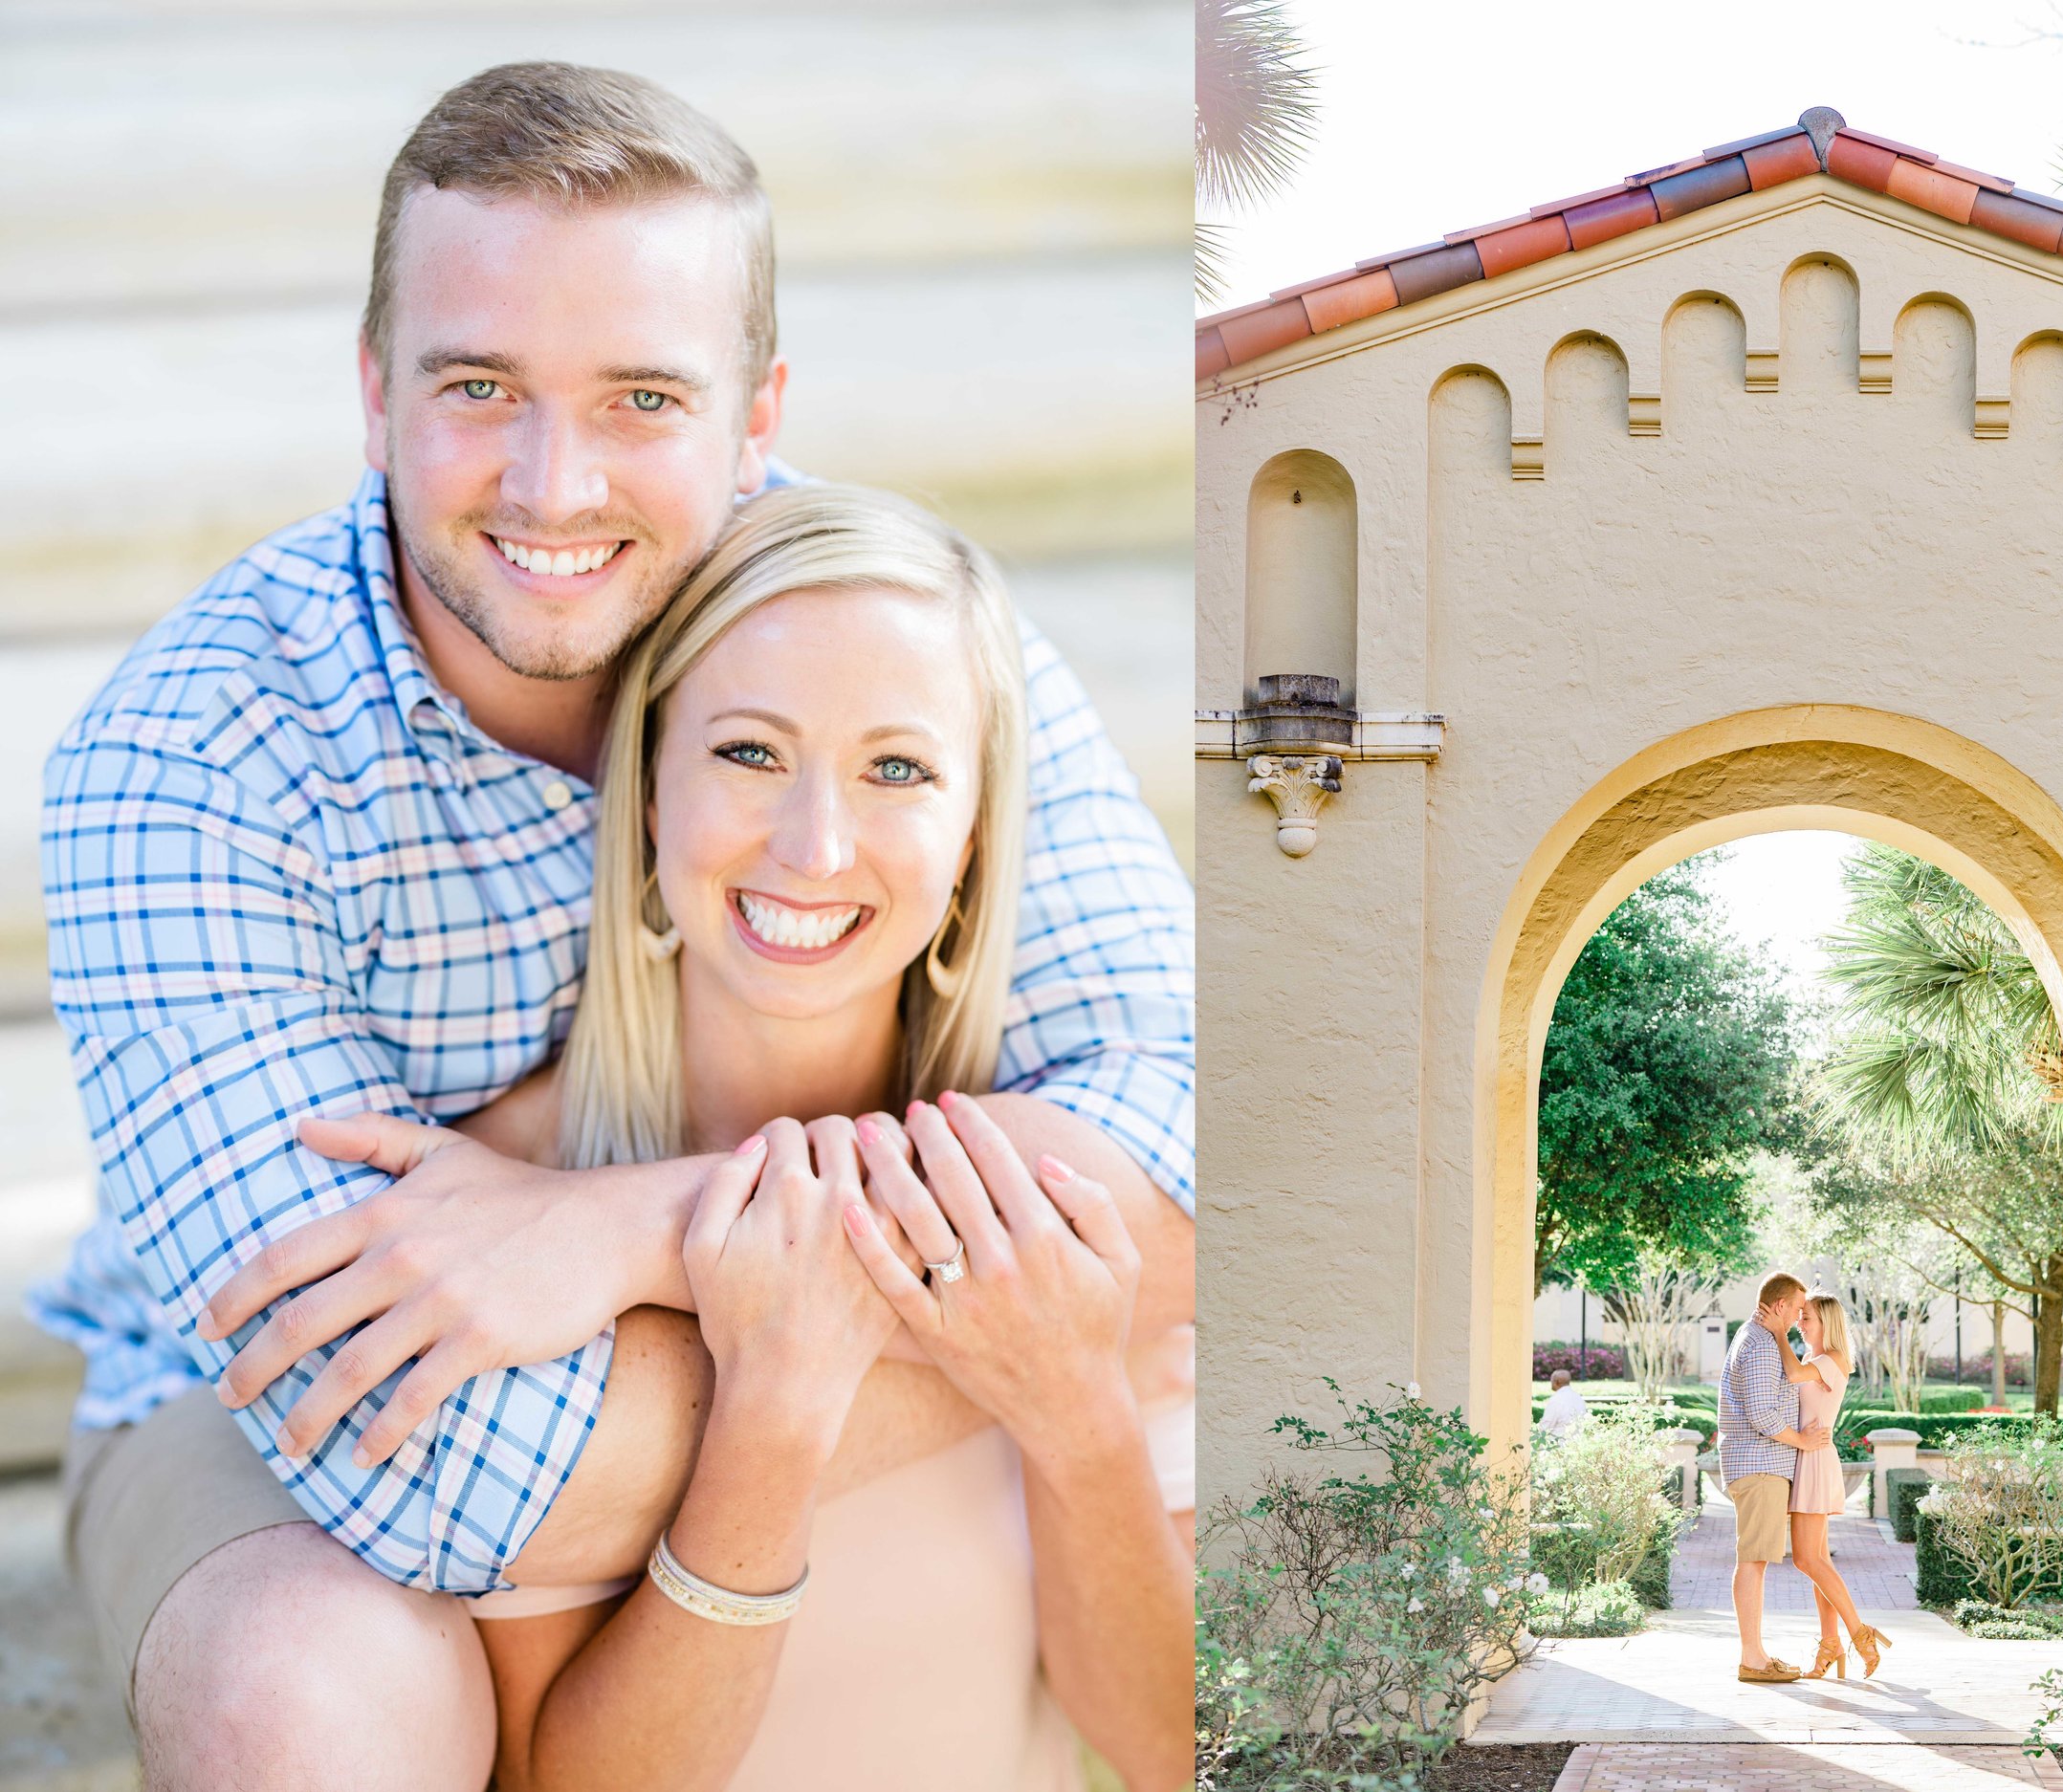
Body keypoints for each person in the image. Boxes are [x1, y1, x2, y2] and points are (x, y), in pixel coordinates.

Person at [29, 64, 1194, 1791]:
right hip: (251, 1404)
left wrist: (631, 1230)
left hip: (661, 1307)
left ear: (757, 410)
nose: (555, 484)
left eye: (642, 395)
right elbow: (433, 1456)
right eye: (478, 385)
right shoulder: (188, 759)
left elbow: (1191, 1135)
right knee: (311, 1689)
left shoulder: (880, 627)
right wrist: (1057, 1319)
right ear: (372, 393)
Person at [1714, 1272, 1835, 1684]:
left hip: (1756, 1464)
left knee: (1754, 1559)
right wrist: (1802, 1441)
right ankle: (1753, 1658)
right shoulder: (1763, 1345)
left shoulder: (1754, 1338)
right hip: (1761, 1464)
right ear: (1780, 1306)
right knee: (1753, 1560)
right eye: (1799, 1309)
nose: (1800, 1317)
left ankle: (1756, 1654)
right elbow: (1764, 1414)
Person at [1774, 1293, 1889, 1680]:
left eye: (1806, 1319)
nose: (1800, 1324)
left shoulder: (1830, 1359)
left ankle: (1859, 1634)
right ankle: (1830, 1644)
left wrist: (1776, 1331)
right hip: (1808, 1456)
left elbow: (1790, 1376)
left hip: (1816, 1460)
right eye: (1800, 1318)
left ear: (1828, 1323)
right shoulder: (1813, 1360)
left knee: (1808, 1560)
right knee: (1816, 1560)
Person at [1539, 1365, 1589, 1438]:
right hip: (1577, 1441)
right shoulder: (1578, 1398)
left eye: (1551, 1381)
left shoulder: (1556, 1399)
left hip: (1557, 1442)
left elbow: (1546, 1425)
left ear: (1557, 1382)